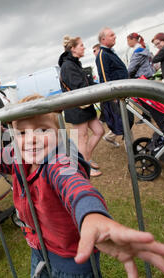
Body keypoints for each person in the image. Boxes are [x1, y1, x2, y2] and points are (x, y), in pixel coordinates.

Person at [0, 93, 164, 278]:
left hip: (73, 262)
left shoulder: (61, 157)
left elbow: (74, 185)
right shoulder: (18, 155)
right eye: (22, 133)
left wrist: (91, 214)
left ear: (59, 131)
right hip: (38, 251)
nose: (31, 139)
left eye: (43, 129)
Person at [58, 36, 104, 177]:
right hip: (77, 108)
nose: (84, 47)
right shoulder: (68, 66)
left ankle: (86, 159)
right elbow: (80, 87)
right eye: (81, 45)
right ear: (73, 49)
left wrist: (102, 87)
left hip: (85, 105)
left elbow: (87, 83)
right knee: (82, 138)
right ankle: (84, 167)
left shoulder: (75, 63)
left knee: (99, 131)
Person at [96, 27, 134, 147]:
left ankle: (132, 147)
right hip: (116, 96)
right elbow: (104, 77)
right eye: (111, 35)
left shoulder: (110, 52)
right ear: (103, 39)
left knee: (128, 120)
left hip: (122, 93)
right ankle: (132, 149)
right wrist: (112, 96)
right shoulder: (102, 54)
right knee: (125, 121)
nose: (115, 36)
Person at [127, 32, 155, 125]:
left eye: (128, 40)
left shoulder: (138, 51)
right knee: (149, 98)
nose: (127, 43)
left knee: (143, 99)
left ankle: (147, 116)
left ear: (133, 40)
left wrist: (126, 76)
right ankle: (149, 115)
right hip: (148, 75)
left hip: (142, 77)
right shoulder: (144, 49)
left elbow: (132, 68)